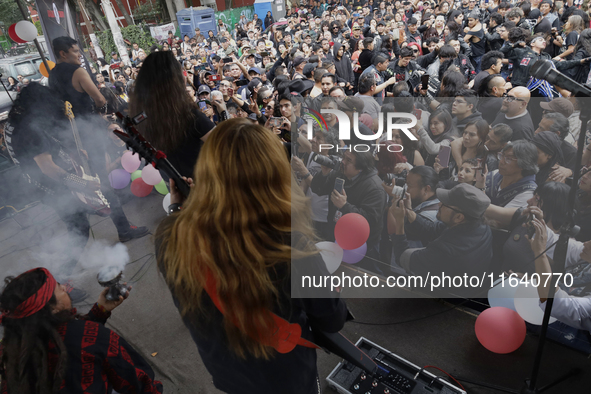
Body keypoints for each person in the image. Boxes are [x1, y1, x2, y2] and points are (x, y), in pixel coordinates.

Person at [155, 118, 347, 394]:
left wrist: (178, 211)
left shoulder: (169, 234)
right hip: (286, 376)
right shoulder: (290, 245)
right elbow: (331, 320)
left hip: (227, 374)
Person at [0, 267, 163, 393]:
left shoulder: (9, 349)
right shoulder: (95, 337)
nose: (65, 287)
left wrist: (99, 312)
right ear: (53, 309)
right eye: (59, 288)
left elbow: (68, 337)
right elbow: (137, 381)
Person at [389, 183, 493, 296]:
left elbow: (402, 257)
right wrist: (408, 211)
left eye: (445, 204)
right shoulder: (481, 227)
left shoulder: (445, 251)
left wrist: (399, 222)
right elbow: (433, 229)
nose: (439, 204)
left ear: (459, 217)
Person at [129, 51, 217, 178]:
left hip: (175, 186)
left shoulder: (140, 116)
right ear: (175, 80)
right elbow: (224, 145)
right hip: (201, 187)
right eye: (180, 71)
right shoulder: (188, 116)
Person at [311, 149, 387, 273]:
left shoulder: (375, 188)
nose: (343, 162)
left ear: (361, 168)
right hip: (336, 237)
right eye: (344, 158)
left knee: (360, 282)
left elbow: (371, 219)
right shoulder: (339, 174)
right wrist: (324, 173)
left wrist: (345, 206)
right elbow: (317, 189)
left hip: (362, 247)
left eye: (348, 160)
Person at [477, 140, 539, 208]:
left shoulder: (527, 192)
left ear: (523, 164)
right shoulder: (494, 174)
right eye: (502, 156)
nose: (501, 162)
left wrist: (480, 190)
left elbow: (500, 216)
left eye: (508, 159)